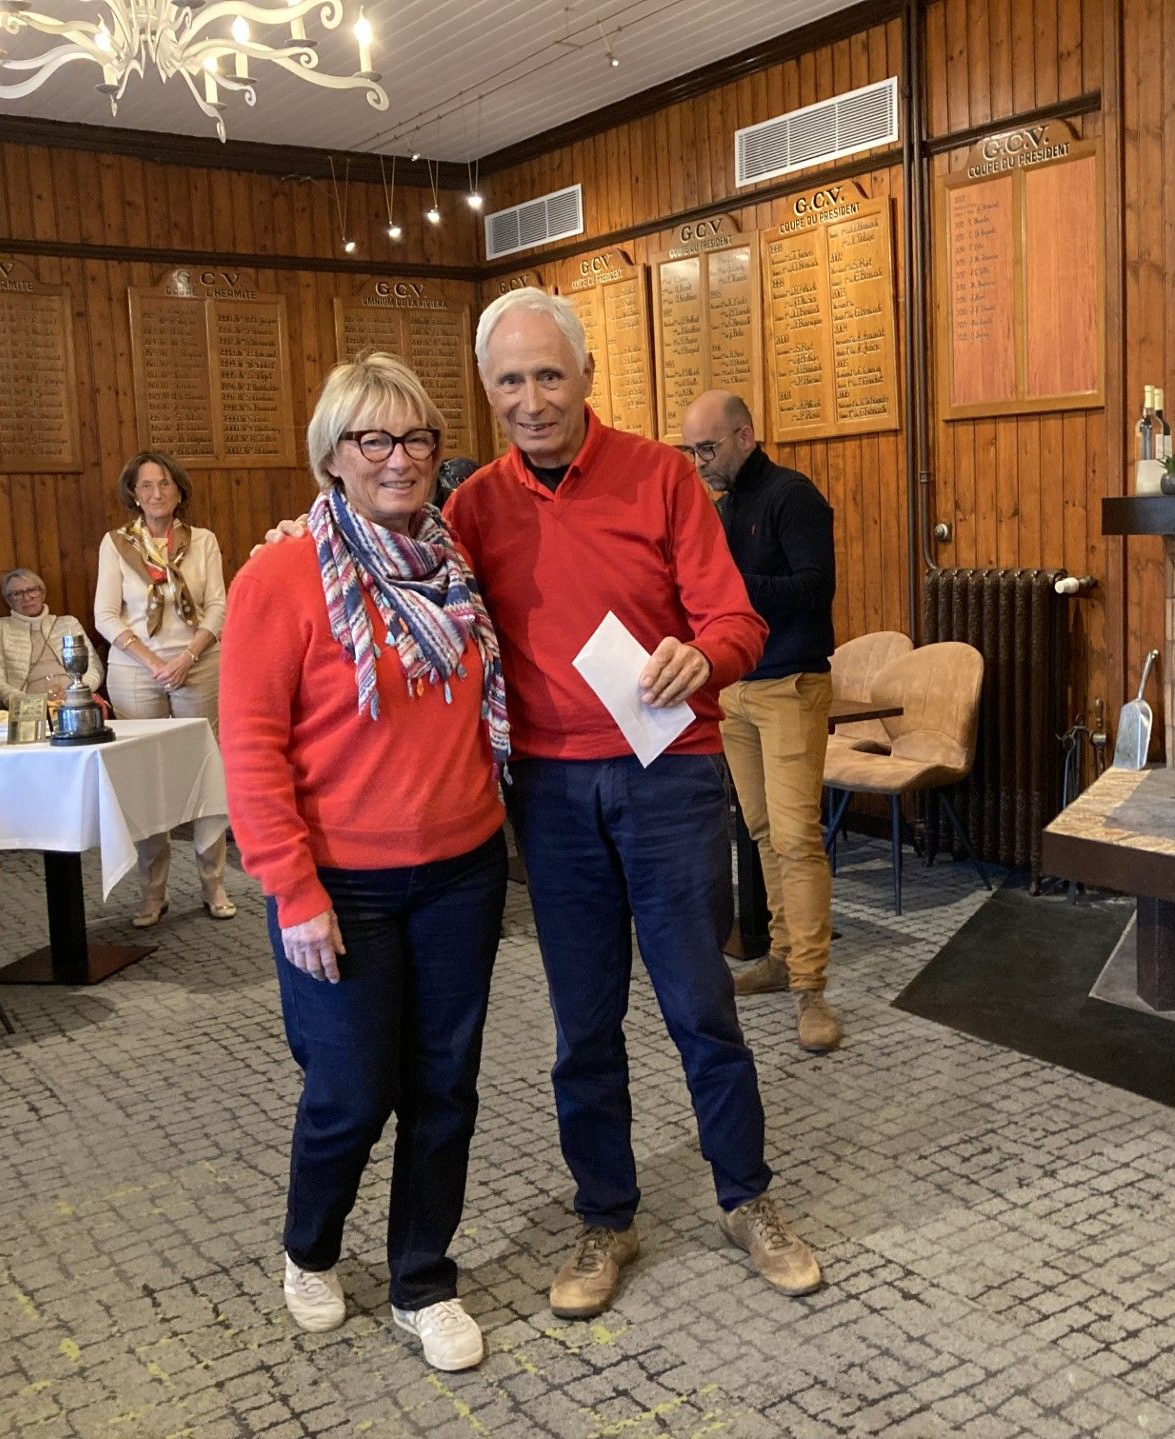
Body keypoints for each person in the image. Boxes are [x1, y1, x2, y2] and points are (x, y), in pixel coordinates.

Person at [270, 291, 823, 1317]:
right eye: (511, 381)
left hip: (668, 776)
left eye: (550, 375)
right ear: (489, 394)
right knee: (584, 1024)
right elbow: (384, 566)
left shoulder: (661, 477)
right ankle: (606, 1214)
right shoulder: (471, 510)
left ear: (586, 375)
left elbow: (739, 621)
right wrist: (307, 537)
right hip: (552, 796)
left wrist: (703, 654)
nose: (532, 399)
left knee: (701, 1007)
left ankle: (747, 1198)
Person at [223, 354, 509, 1372]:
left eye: (418, 437)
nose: (400, 459)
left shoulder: (456, 562)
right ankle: (310, 1249)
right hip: (338, 887)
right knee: (350, 1091)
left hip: (463, 870)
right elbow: (251, 746)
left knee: (444, 1087)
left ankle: (423, 1279)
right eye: (373, 440)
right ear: (332, 456)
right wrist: (291, 889)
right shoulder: (280, 575)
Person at [678, 390, 839, 1053]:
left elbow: (816, 587)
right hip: (737, 690)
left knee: (798, 838)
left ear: (745, 437)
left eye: (707, 448)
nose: (700, 462)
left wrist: (736, 587)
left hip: (791, 685)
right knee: (764, 832)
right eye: (691, 451)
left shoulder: (792, 497)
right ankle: (780, 955)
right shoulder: (723, 508)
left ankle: (811, 989)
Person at [94, 451, 234, 925]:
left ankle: (214, 884)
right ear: (134, 494)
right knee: (145, 777)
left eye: (165, 484)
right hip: (137, 670)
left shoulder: (203, 541)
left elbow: (219, 605)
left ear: (179, 491)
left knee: (206, 770)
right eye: (147, 486)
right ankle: (153, 892)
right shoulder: (116, 544)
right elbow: (105, 615)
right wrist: (155, 663)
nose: (157, 494)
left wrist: (187, 657)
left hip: (199, 662)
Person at [0, 567, 102, 711]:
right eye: (17, 594)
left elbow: (94, 668)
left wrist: (76, 693)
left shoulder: (68, 623)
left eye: (32, 590)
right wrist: (33, 703)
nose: (26, 598)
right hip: (30, 708)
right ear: (9, 601)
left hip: (75, 702)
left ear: (42, 594)